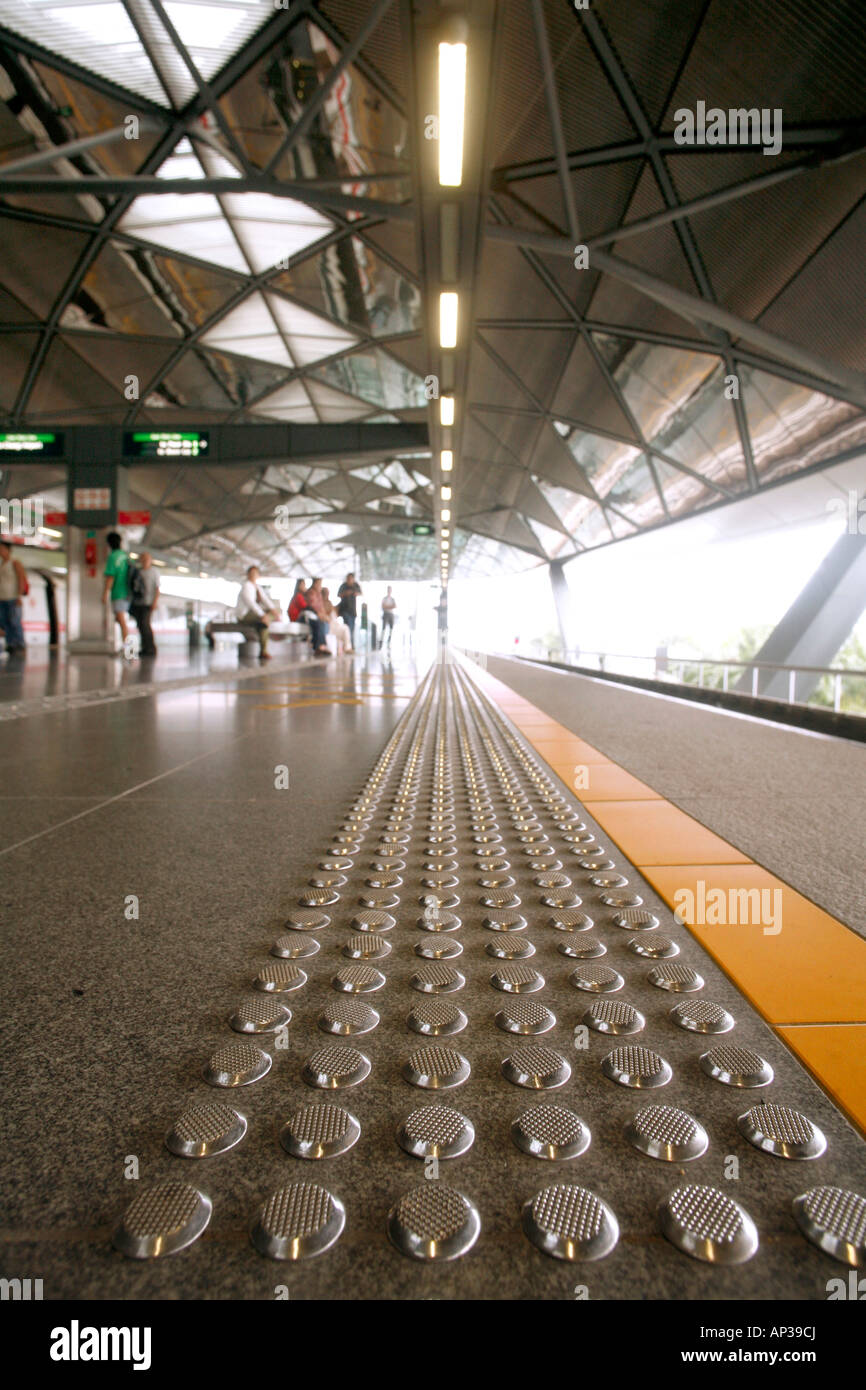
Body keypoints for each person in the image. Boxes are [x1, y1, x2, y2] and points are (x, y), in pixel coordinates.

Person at [236, 564, 279, 661]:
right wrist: (263, 615)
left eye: (255, 573)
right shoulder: (246, 586)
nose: (253, 575)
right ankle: (263, 651)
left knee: (264, 625)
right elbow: (250, 603)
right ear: (247, 575)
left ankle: (263, 651)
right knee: (264, 621)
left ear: (258, 575)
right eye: (251, 573)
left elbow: (265, 600)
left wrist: (274, 611)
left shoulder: (258, 587)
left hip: (255, 614)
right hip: (245, 615)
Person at [102, 531, 132, 651]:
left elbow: (111, 577)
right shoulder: (125, 556)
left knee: (122, 622)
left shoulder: (113, 557)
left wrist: (105, 593)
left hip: (118, 593)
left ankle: (128, 649)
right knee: (120, 621)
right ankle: (126, 647)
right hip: (127, 592)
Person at [0, 540, 28, 656]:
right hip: (2, 598)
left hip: (13, 598)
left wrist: (19, 596)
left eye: (2, 548)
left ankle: (19, 644)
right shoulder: (1, 565)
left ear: (8, 550)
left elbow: (21, 579)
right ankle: (10, 644)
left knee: (14, 622)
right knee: (4, 622)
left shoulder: (15, 563)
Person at [130, 552, 159, 658]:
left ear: (150, 560)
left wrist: (155, 602)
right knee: (141, 625)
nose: (145, 561)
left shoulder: (154, 572)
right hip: (138, 603)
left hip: (148, 603)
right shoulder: (139, 572)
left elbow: (157, 589)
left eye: (147, 559)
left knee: (145, 624)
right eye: (143, 559)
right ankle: (145, 648)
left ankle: (151, 648)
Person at [304, 577, 332, 657]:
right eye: (320, 584)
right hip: (310, 614)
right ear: (315, 583)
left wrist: (324, 616)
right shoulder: (311, 593)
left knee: (323, 623)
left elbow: (321, 607)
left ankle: (318, 647)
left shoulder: (318, 594)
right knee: (320, 623)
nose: (320, 586)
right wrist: (320, 614)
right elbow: (312, 606)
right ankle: (320, 647)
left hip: (317, 615)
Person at [336, 572, 362, 651]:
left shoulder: (355, 586)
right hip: (344, 610)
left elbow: (361, 593)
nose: (349, 580)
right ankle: (348, 646)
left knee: (352, 628)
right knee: (348, 627)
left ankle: (350, 645)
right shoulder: (343, 586)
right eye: (348, 578)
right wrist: (345, 594)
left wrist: (355, 593)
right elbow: (338, 594)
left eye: (351, 578)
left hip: (353, 611)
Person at [323, 586, 352, 655]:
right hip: (330, 625)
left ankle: (346, 648)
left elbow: (335, 612)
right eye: (325, 593)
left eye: (328, 593)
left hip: (335, 624)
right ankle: (346, 648)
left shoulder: (329, 603)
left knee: (345, 628)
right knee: (345, 628)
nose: (327, 595)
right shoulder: (322, 603)